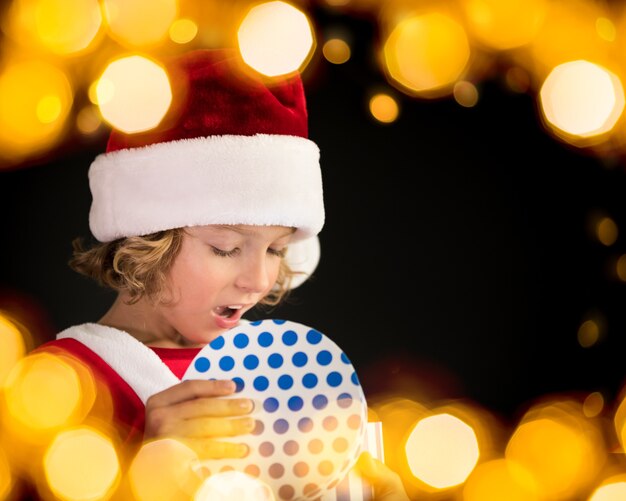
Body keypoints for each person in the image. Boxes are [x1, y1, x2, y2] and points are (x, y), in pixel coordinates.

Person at [31, 48, 409, 500]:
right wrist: (141, 475)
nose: (260, 280)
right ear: (147, 237)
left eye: (277, 249)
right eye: (226, 248)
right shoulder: (61, 387)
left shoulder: (286, 376)